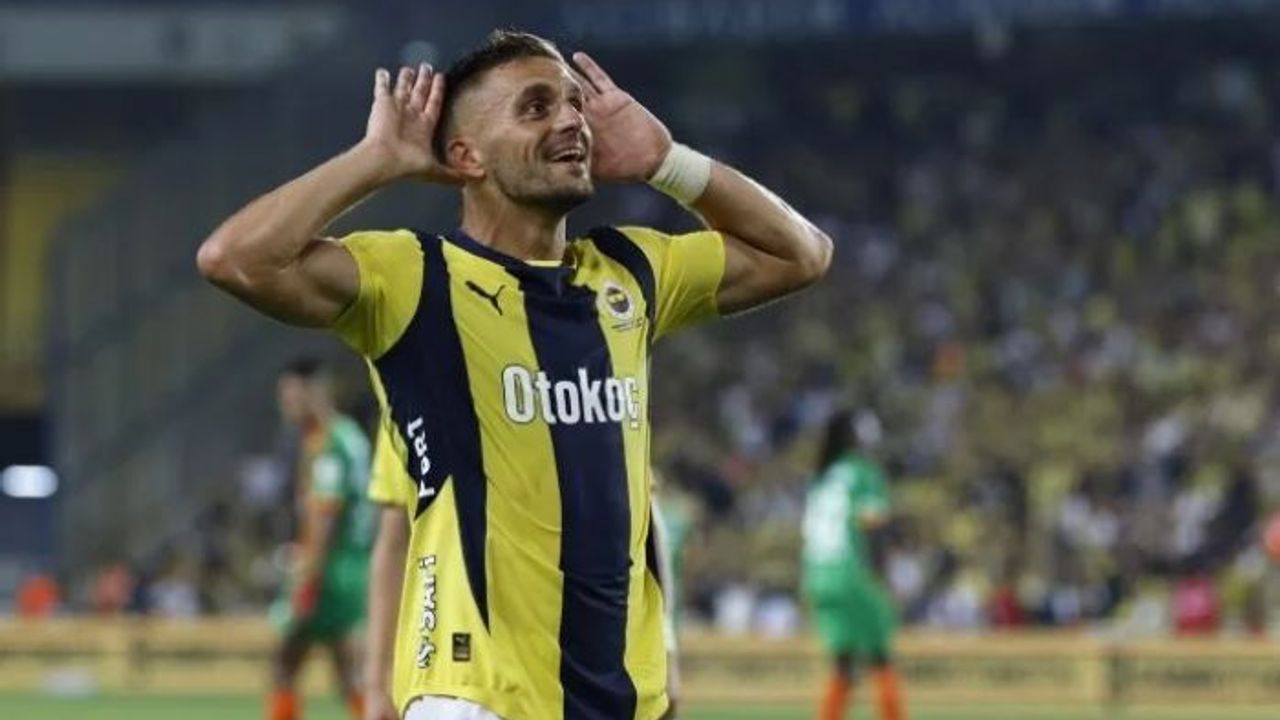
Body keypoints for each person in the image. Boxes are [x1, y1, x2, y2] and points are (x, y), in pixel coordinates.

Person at [199, 28, 831, 720]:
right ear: (466, 155)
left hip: (627, 697)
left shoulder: (632, 271)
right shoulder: (415, 278)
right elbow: (235, 259)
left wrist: (666, 162)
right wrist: (375, 161)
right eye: (535, 107)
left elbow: (801, 254)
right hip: (480, 698)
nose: (570, 120)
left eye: (573, 103)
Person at [268, 358, 375, 720]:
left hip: (329, 568)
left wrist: (307, 577)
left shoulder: (328, 444)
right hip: (353, 564)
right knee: (348, 672)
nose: (286, 406)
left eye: (292, 396)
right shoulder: (351, 436)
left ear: (315, 392)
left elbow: (324, 515)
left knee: (285, 664)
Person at [801, 410, 905, 720]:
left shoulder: (820, 476)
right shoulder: (863, 472)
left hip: (816, 576)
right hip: (850, 573)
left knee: (842, 663)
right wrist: (883, 575)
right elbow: (872, 521)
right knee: (881, 657)